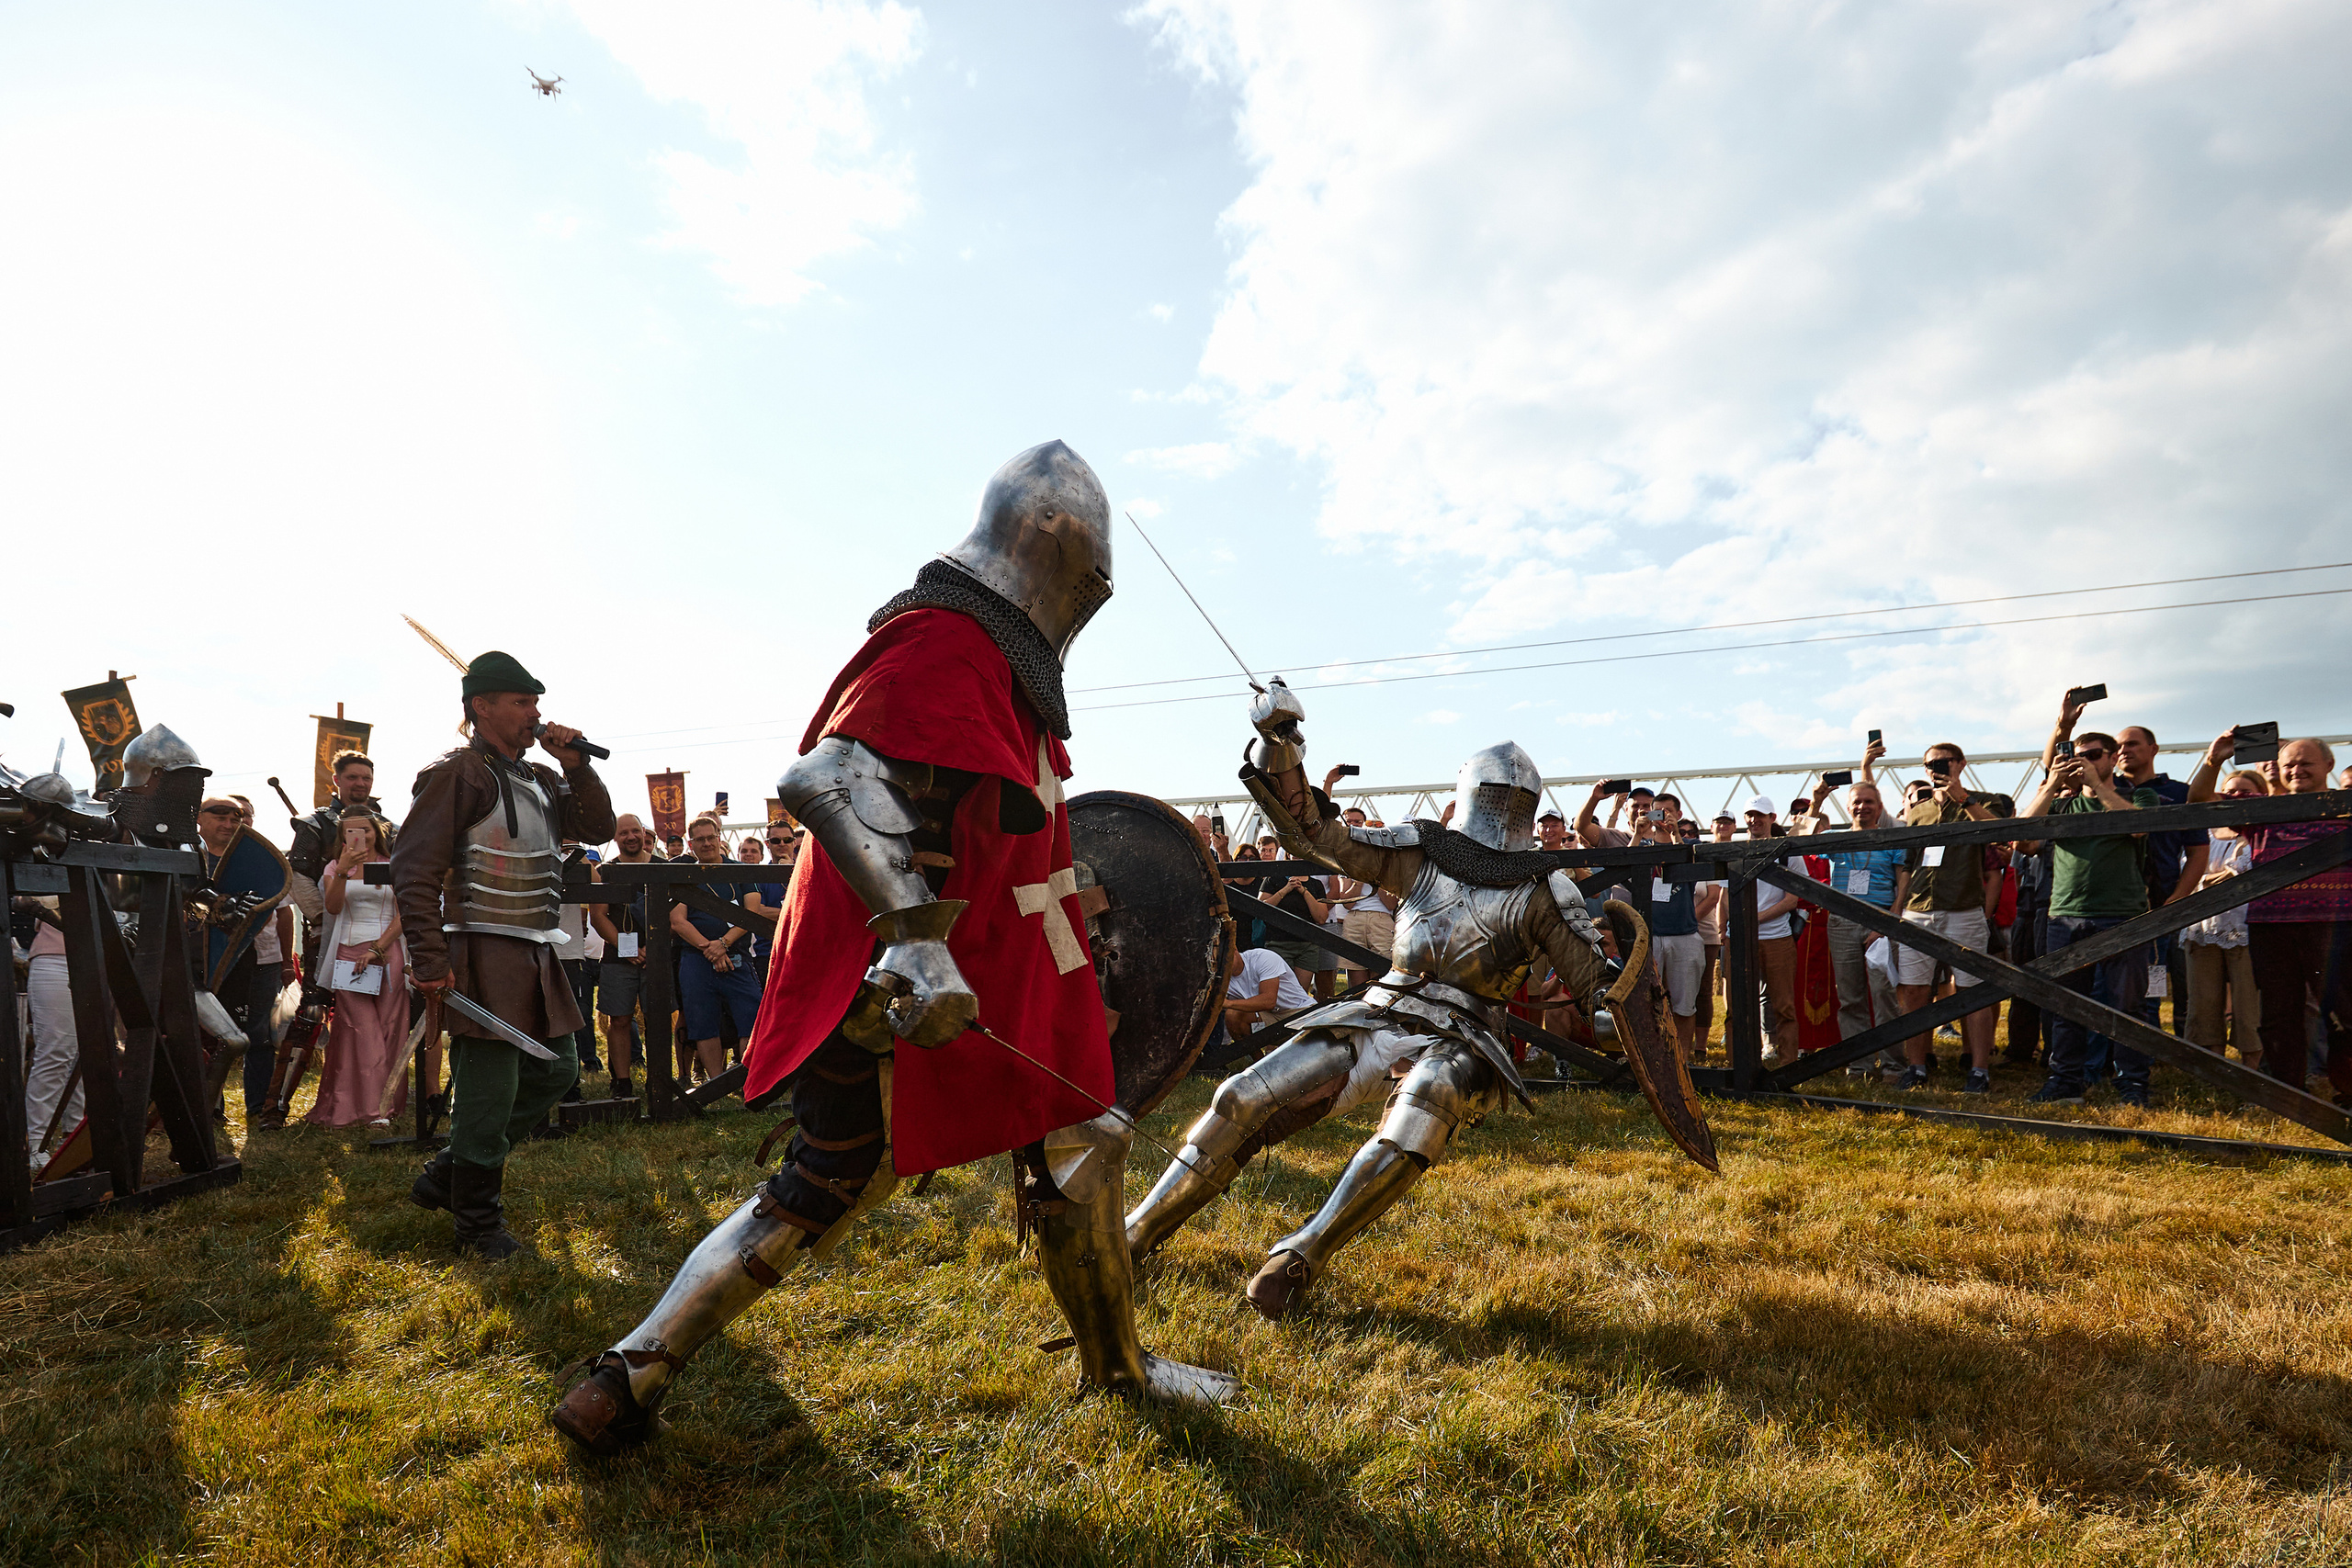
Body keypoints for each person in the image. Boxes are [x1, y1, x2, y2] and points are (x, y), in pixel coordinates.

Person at [552, 441, 1229, 1459]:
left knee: (974, 1156)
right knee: (866, 1176)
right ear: (1058, 558)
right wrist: (916, 943)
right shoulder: (945, 641)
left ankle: (631, 1375)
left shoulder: (995, 666)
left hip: (965, 969)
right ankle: (630, 1374)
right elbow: (826, 775)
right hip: (902, 974)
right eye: (1090, 583)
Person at [1125, 692, 1710, 1321]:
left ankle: (1299, 1256)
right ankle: (1133, 1234)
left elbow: (1598, 987)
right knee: (1241, 1095)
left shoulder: (1544, 890)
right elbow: (1319, 834)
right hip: (1379, 1008)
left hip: (1465, 1034)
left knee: (1419, 1115)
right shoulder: (1422, 850)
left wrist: (1619, 1015)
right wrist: (1282, 743)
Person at [391, 650, 616, 1259]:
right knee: (489, 1092)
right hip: (481, 949)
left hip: (536, 950)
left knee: (557, 1070)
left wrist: (576, 766)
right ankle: (477, 1225)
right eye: (522, 702)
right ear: (481, 707)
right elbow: (414, 870)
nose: (534, 713)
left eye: (536, 702)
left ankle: (449, 1171)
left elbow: (596, 828)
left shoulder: (541, 778)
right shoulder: (458, 774)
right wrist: (431, 960)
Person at [2189, 733, 2350, 1098]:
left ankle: (2346, 1088)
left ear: (2328, 765)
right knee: (2278, 1015)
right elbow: (2198, 800)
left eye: (2306, 763)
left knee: (2344, 1013)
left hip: (2335, 927)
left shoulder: (2345, 805)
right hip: (2271, 926)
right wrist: (2214, 759)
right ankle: (2285, 1094)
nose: (2296, 770)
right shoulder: (2259, 808)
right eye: (2289, 764)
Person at [2020, 720, 2159, 1106]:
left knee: (2128, 1006)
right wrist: (2051, 784)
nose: (2083, 762)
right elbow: (2025, 841)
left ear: (2113, 758)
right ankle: (2066, 1081)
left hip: (2123, 913)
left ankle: (2132, 1084)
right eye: (2077, 756)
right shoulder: (2062, 802)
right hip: (2064, 914)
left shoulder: (2141, 797)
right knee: (2066, 1005)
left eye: (2093, 755)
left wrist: (2097, 786)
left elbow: (2138, 829)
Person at [1894, 742, 1998, 1091]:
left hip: (1964, 909)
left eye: (1942, 762)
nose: (1935, 769)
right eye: (1928, 764)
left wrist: (1964, 799)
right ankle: (1917, 1067)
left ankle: (1979, 1070)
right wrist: (1899, 908)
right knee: (1914, 993)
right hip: (1919, 909)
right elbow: (1908, 863)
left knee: (1972, 991)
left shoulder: (1983, 800)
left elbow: (2005, 834)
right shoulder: (1918, 810)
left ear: (1961, 763)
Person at [1792, 773, 1909, 1080]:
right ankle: (1859, 1065)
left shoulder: (1892, 838)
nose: (1862, 807)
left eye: (1868, 802)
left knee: (1884, 995)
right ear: (1848, 807)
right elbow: (1798, 840)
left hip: (1880, 919)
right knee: (1850, 998)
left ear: (1880, 806)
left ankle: (1894, 1065)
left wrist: (1888, 924)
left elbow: (1903, 882)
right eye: (1856, 802)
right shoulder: (1836, 838)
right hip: (1842, 922)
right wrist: (1817, 800)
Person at [309, 812, 408, 1127]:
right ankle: (369, 1108)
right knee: (359, 1026)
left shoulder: (390, 865)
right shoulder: (335, 867)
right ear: (342, 835)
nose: (360, 836)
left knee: (390, 1025)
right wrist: (341, 869)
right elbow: (334, 907)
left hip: (386, 948)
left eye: (365, 830)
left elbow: (403, 911)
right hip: (349, 951)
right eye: (352, 831)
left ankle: (389, 1103)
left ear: (376, 832)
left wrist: (379, 947)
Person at [2116, 725, 2208, 1035]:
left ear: (2154, 749)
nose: (2123, 751)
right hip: (2116, 903)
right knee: (2123, 980)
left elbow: (2198, 852)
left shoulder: (2181, 792)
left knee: (2168, 978)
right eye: (2117, 746)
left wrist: (2178, 898)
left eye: (2131, 744)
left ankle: (2173, 1045)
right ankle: (2132, 1045)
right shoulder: (2105, 790)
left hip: (2165, 899)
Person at [2183, 768, 2269, 1067]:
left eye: (2243, 792)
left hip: (2244, 926)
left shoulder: (2260, 834)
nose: (2234, 797)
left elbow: (2239, 874)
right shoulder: (2204, 832)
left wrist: (2203, 879)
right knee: (2204, 1001)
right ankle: (2211, 1070)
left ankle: (2252, 1073)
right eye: (2229, 791)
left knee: (2249, 1003)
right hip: (2202, 926)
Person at [671, 815, 763, 1079]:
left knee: (751, 1017)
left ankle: (750, 1081)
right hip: (697, 958)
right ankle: (715, 1084)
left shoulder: (741, 871)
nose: (707, 843)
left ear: (719, 838)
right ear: (691, 843)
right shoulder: (684, 875)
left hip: (736, 955)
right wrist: (708, 949)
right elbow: (678, 921)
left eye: (711, 837)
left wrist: (723, 944)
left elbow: (751, 914)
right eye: (700, 839)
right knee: (702, 1022)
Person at [589, 813, 658, 1102]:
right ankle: (622, 1082)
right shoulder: (605, 871)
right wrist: (628, 949)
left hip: (658, 956)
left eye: (635, 831)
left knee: (658, 1020)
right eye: (623, 833)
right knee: (619, 1019)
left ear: (643, 833)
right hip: (618, 958)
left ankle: (660, 1079)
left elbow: (679, 916)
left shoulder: (662, 868)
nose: (630, 837)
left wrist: (654, 949)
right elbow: (598, 916)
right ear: (615, 839)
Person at [1739, 796, 1803, 1067]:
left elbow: (1793, 899)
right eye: (1750, 815)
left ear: (1773, 818)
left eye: (1760, 815)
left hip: (1777, 937)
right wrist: (1724, 928)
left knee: (1784, 1005)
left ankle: (1788, 1065)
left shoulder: (1789, 851)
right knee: (1738, 1007)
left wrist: (1753, 919)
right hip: (1740, 937)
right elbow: (1721, 897)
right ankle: (1739, 1063)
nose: (1754, 820)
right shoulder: (1735, 850)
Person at [1223, 943, 1315, 1038]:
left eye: (1224, 958)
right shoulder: (1220, 979)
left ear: (1235, 949)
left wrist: (1228, 1003)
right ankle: (1257, 1053)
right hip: (1270, 1016)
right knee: (1232, 1016)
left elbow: (1269, 1001)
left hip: (1299, 1011)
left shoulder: (1262, 957)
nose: (1223, 964)